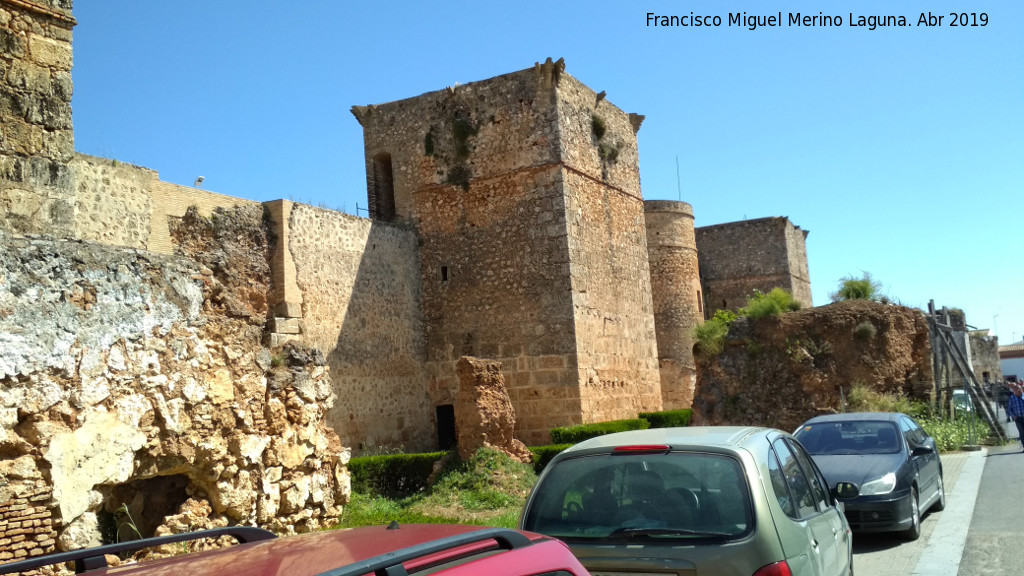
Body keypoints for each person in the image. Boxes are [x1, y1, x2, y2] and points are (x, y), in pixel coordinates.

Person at [1007, 383, 1024, 452]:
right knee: (1022, 433)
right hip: (1018, 418)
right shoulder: (1012, 398)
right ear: (1014, 391)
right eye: (1017, 389)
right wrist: (1014, 416)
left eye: (1020, 389)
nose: (1019, 390)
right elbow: (1009, 409)